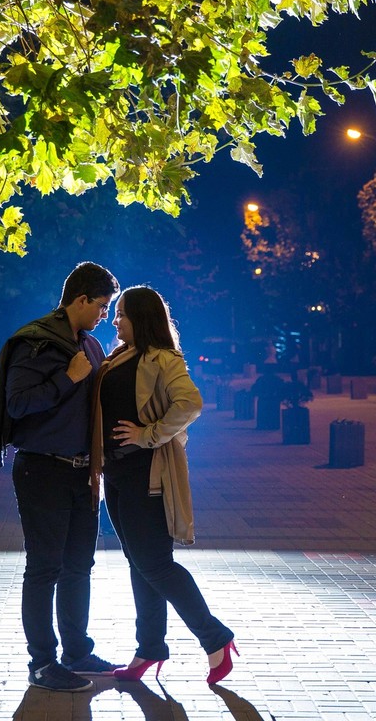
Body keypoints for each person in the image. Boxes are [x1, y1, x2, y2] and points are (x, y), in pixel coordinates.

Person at [0, 261, 122, 692]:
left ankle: (76, 653)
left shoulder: (91, 345)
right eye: (101, 305)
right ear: (80, 299)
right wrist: (67, 378)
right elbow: (18, 404)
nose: (104, 314)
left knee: (80, 566)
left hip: (82, 473)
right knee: (44, 568)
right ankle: (42, 663)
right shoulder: (36, 342)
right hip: (42, 469)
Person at [89, 286, 238, 685]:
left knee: (155, 563)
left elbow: (190, 403)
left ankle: (215, 638)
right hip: (117, 475)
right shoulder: (118, 356)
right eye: (115, 313)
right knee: (141, 564)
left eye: (122, 314)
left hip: (146, 474)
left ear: (143, 318)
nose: (115, 320)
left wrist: (148, 434)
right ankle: (149, 648)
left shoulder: (162, 359)